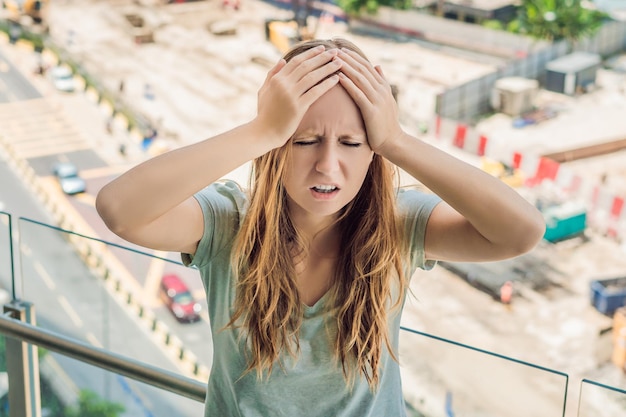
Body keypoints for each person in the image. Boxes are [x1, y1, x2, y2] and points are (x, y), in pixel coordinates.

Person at [96, 38, 545, 417]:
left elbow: (520, 231)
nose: (327, 166)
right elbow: (120, 209)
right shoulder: (230, 222)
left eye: (352, 143)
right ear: (276, 145)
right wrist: (260, 130)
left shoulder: (399, 225)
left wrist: (397, 141)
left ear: (373, 153)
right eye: (304, 141)